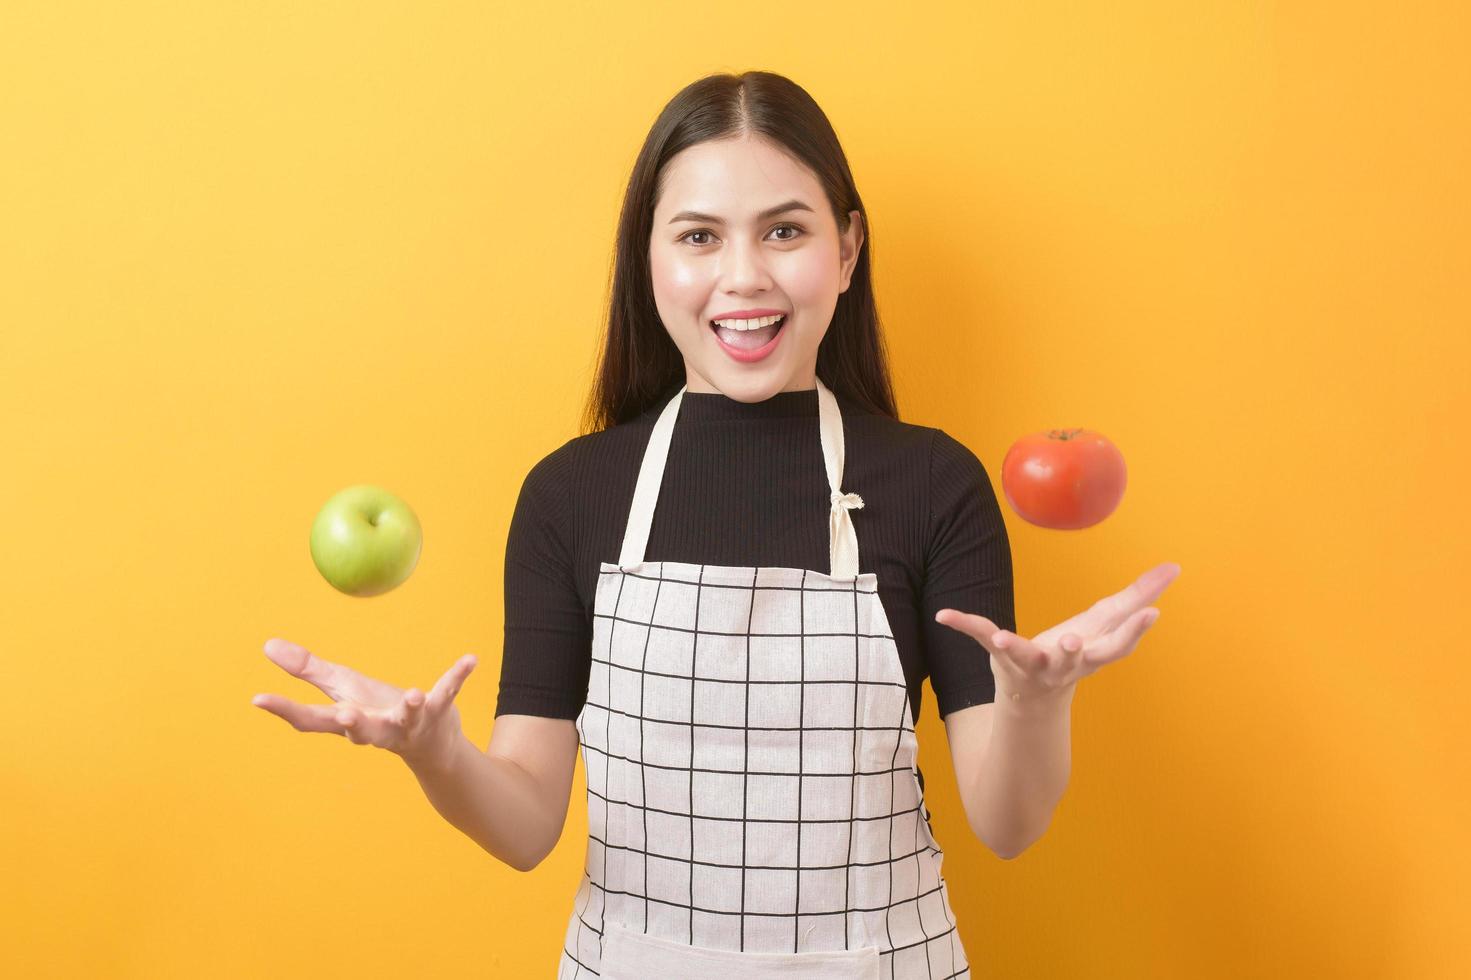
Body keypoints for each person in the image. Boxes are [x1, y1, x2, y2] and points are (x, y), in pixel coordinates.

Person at [252, 70, 1179, 980]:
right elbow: (527, 824)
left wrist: (1033, 701)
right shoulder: (570, 495)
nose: (743, 277)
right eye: (699, 236)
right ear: (648, 259)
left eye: (784, 230)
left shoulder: (935, 484)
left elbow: (1008, 825)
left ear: (847, 249)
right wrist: (436, 754)